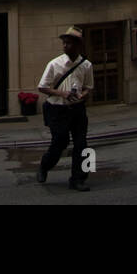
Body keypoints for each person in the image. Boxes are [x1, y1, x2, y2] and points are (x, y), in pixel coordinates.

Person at [36, 26, 94, 191]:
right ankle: (44, 166)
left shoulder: (86, 65)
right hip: (57, 110)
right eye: (64, 43)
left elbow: (89, 87)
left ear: (78, 45)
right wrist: (62, 93)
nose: (65, 46)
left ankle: (78, 179)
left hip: (77, 110)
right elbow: (42, 87)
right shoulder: (55, 64)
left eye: (69, 43)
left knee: (81, 144)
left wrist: (83, 95)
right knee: (60, 143)